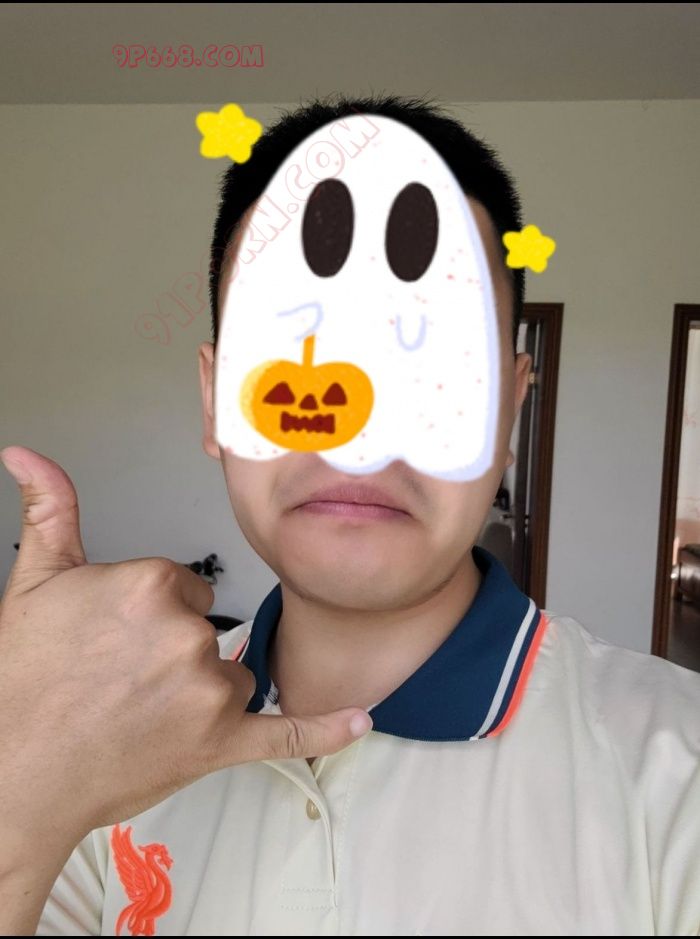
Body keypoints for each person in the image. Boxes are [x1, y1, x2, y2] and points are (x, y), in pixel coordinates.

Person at [0, 95, 698, 937]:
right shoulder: (98, 748)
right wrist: (23, 785)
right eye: (294, 353)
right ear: (216, 400)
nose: (357, 438)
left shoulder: (677, 766)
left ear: (509, 410)